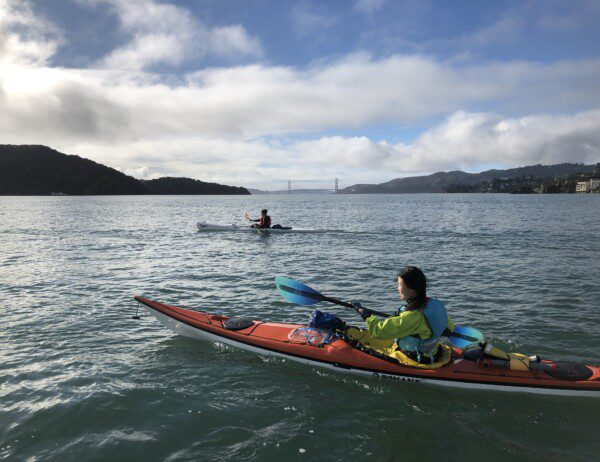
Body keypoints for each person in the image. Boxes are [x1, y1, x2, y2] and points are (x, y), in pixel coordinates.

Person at [352, 266, 454, 364]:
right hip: (434, 353)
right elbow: (449, 327)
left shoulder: (412, 317)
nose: (398, 289)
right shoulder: (435, 304)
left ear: (412, 289)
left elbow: (379, 332)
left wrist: (366, 316)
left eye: (400, 285)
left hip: (416, 358)